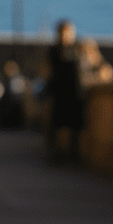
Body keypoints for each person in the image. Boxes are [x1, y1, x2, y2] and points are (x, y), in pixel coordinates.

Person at [44, 19, 84, 163]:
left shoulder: (76, 49)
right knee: (57, 125)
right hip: (59, 93)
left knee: (75, 126)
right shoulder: (54, 50)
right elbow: (48, 71)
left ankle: (74, 153)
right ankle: (57, 154)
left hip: (74, 93)